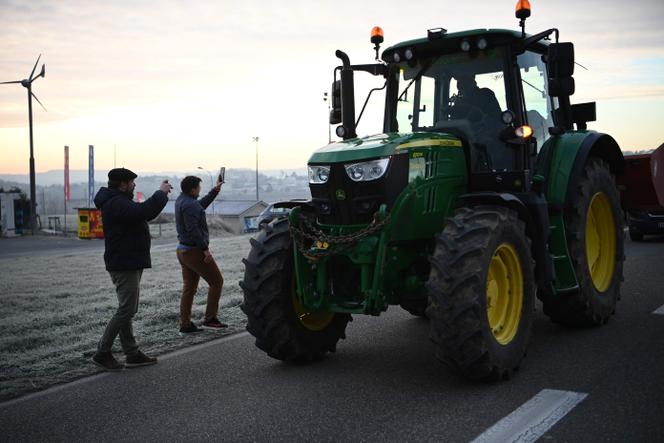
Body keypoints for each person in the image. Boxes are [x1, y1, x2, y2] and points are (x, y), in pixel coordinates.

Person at [91, 168, 171, 371]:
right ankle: (102, 352)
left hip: (129, 261)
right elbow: (144, 212)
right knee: (127, 309)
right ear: (123, 184)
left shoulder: (118, 200)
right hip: (124, 263)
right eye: (132, 182)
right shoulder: (115, 202)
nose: (135, 185)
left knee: (126, 309)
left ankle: (132, 354)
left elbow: (140, 214)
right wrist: (161, 193)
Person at [175, 175, 227, 334]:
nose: (200, 190)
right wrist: (205, 250)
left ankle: (185, 324)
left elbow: (199, 206)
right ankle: (210, 319)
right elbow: (194, 231)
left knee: (189, 288)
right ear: (193, 189)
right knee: (217, 282)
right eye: (199, 187)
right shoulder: (190, 205)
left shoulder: (182, 200)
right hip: (194, 251)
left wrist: (215, 191)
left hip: (182, 250)